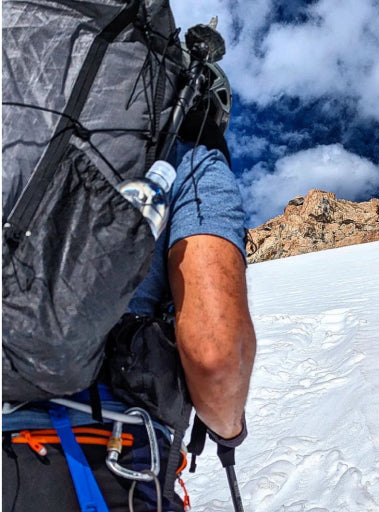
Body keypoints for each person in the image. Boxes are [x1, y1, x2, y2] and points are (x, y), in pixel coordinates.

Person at [2, 58, 256, 511]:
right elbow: (216, 352)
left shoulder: (24, 149)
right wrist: (228, 427)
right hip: (107, 463)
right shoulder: (192, 162)